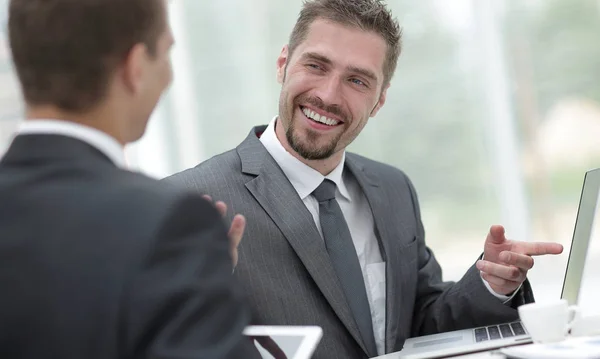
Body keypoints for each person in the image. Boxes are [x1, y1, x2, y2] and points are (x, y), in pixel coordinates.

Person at [165, 0, 563, 358]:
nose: (329, 94)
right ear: (283, 64)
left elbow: (421, 325)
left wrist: (492, 283)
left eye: (357, 80)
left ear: (379, 101)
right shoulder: (188, 201)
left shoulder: (393, 189)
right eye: (316, 65)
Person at [0, 0, 258, 358]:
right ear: (135, 67)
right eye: (166, 52)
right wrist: (201, 283)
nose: (168, 75)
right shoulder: (170, 228)